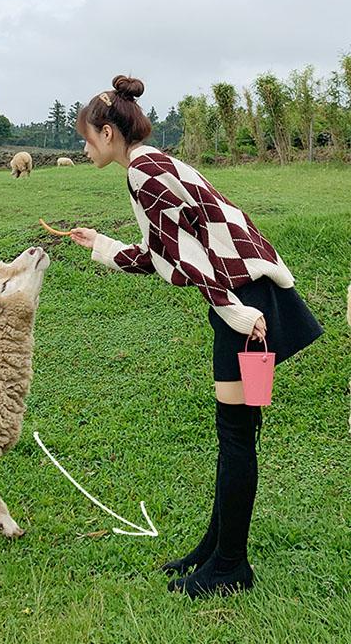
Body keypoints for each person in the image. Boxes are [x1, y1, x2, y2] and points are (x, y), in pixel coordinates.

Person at [69, 75, 324, 598]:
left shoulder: (143, 173)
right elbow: (162, 253)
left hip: (246, 309)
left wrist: (233, 311)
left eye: (86, 136)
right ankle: (217, 547)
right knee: (241, 431)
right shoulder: (154, 163)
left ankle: (231, 566)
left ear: (109, 132)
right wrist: (102, 245)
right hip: (249, 301)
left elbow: (192, 259)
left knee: (236, 435)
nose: (84, 145)